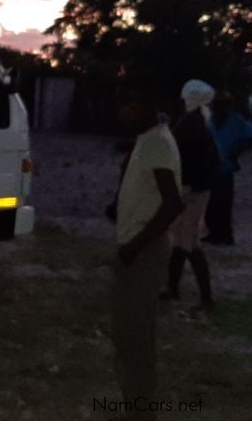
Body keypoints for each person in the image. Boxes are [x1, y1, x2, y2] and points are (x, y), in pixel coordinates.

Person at [111, 80, 183, 420]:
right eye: (123, 103)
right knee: (129, 336)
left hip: (143, 251)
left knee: (136, 339)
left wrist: (135, 247)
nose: (125, 110)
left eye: (134, 103)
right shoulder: (148, 138)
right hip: (136, 248)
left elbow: (173, 204)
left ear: (154, 105)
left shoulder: (156, 140)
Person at [162, 80, 220, 311]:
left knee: (186, 242)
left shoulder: (190, 124)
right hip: (197, 188)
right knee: (187, 241)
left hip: (191, 190)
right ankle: (182, 291)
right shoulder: (200, 122)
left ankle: (190, 294)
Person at [204, 92, 252, 245]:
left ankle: (224, 235)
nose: (218, 107)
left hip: (225, 167)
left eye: (222, 104)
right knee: (211, 202)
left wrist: (235, 152)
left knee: (223, 202)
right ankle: (213, 232)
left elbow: (248, 136)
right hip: (211, 167)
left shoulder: (236, 120)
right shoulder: (210, 119)